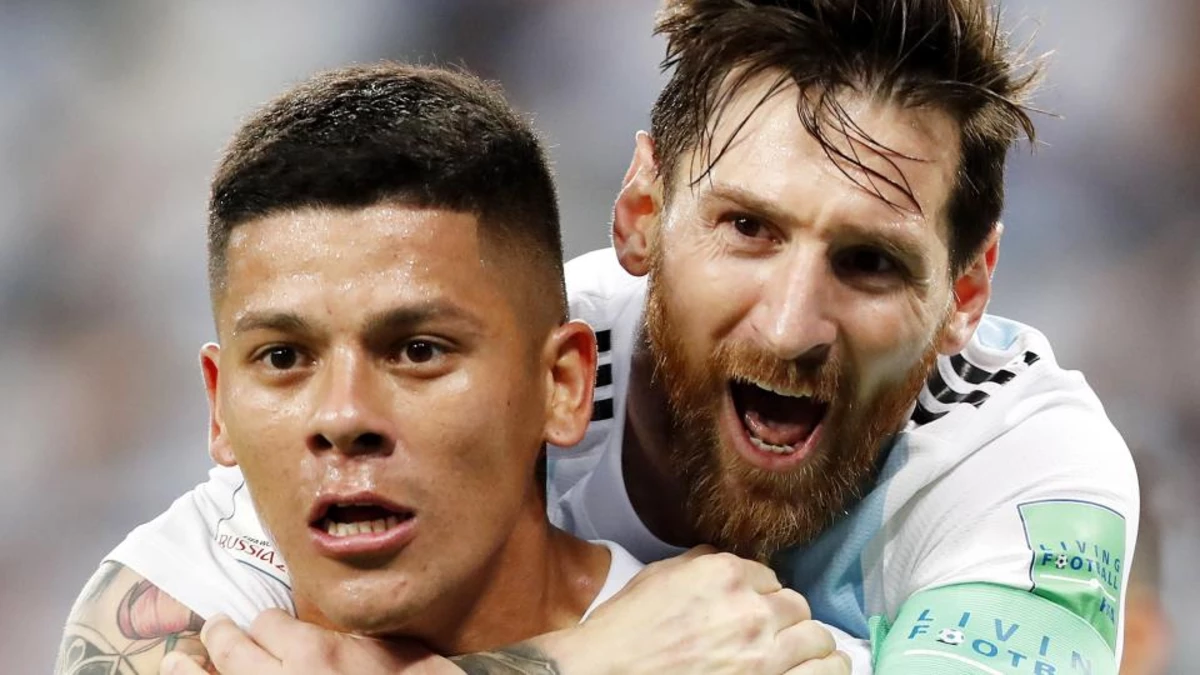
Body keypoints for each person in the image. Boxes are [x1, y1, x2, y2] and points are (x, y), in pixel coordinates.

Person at [75, 1, 1142, 674]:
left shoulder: (1022, 465)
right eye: (746, 229)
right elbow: (112, 641)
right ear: (639, 214)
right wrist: (592, 663)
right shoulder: (474, 349)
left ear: (967, 290)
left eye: (868, 261)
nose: (789, 325)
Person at [54, 63, 846, 675]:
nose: (342, 416)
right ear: (220, 407)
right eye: (284, 357)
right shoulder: (200, 581)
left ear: (562, 384)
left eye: (418, 350)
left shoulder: (747, 652)